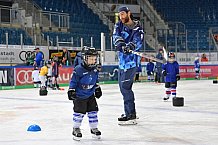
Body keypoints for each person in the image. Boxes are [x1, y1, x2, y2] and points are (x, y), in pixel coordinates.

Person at [113, 6, 144, 125]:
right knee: (123, 88)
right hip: (122, 63)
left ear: (128, 13)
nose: (121, 17)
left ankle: (131, 114)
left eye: (123, 14)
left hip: (131, 63)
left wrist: (131, 46)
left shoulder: (137, 28)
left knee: (125, 87)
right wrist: (120, 44)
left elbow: (138, 41)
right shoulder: (119, 25)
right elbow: (115, 36)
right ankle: (129, 112)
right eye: (120, 14)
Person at [67, 47, 102, 141]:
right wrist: (71, 90)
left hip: (90, 95)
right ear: (85, 58)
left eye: (94, 59)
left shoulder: (95, 69)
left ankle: (94, 128)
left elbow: (95, 80)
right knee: (79, 113)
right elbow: (73, 81)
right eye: (91, 58)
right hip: (80, 96)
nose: (93, 61)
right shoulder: (78, 69)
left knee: (93, 112)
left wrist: (97, 88)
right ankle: (76, 128)